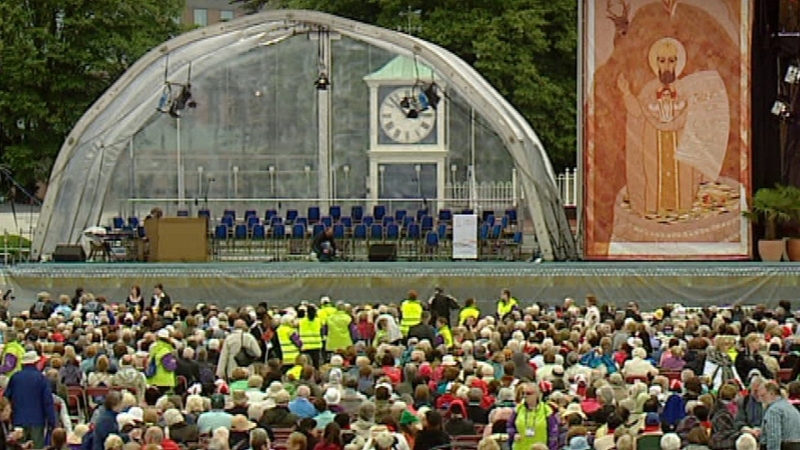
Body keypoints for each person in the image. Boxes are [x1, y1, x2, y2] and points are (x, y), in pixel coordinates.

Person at [616, 36, 727, 216]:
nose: (667, 66)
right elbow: (638, 113)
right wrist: (627, 93)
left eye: (671, 60)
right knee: (653, 176)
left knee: (683, 176)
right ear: (655, 63)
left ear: (678, 63)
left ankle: (684, 209)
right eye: (662, 60)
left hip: (680, 142)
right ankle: (653, 210)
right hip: (654, 144)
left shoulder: (685, 89)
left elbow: (697, 112)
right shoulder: (648, 89)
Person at [4, 351, 56, 449]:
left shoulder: (15, 377)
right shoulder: (41, 378)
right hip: (37, 420)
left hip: (18, 419)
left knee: (18, 447)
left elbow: (6, 399)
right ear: (36, 363)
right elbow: (47, 402)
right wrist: (52, 422)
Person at [146, 329, 178, 393]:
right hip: (165, 381)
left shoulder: (154, 348)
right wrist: (174, 363)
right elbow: (169, 367)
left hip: (154, 379)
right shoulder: (166, 350)